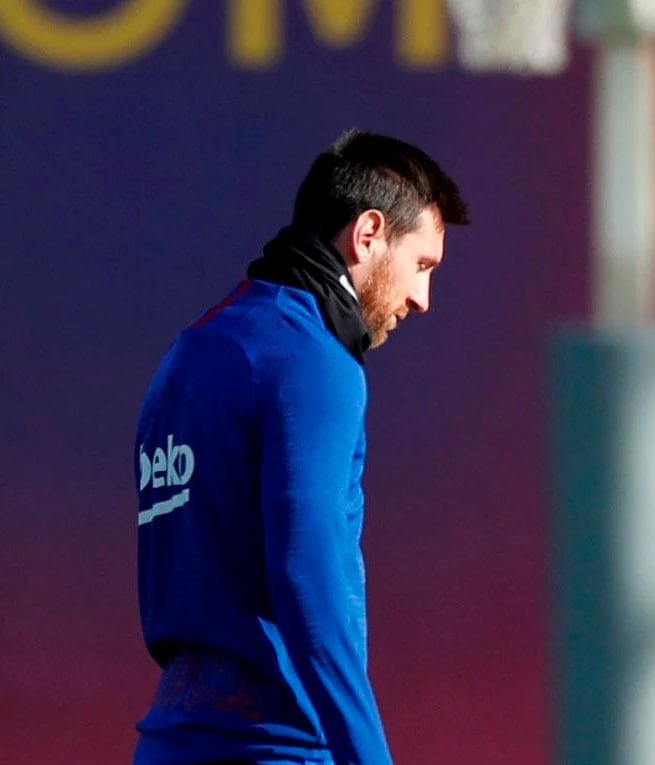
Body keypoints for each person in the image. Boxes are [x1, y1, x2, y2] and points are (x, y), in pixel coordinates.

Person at [133, 130, 469, 764]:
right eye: (421, 265)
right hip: (278, 749)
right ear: (368, 235)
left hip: (169, 746)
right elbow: (307, 576)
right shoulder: (314, 362)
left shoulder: (187, 356)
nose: (423, 299)